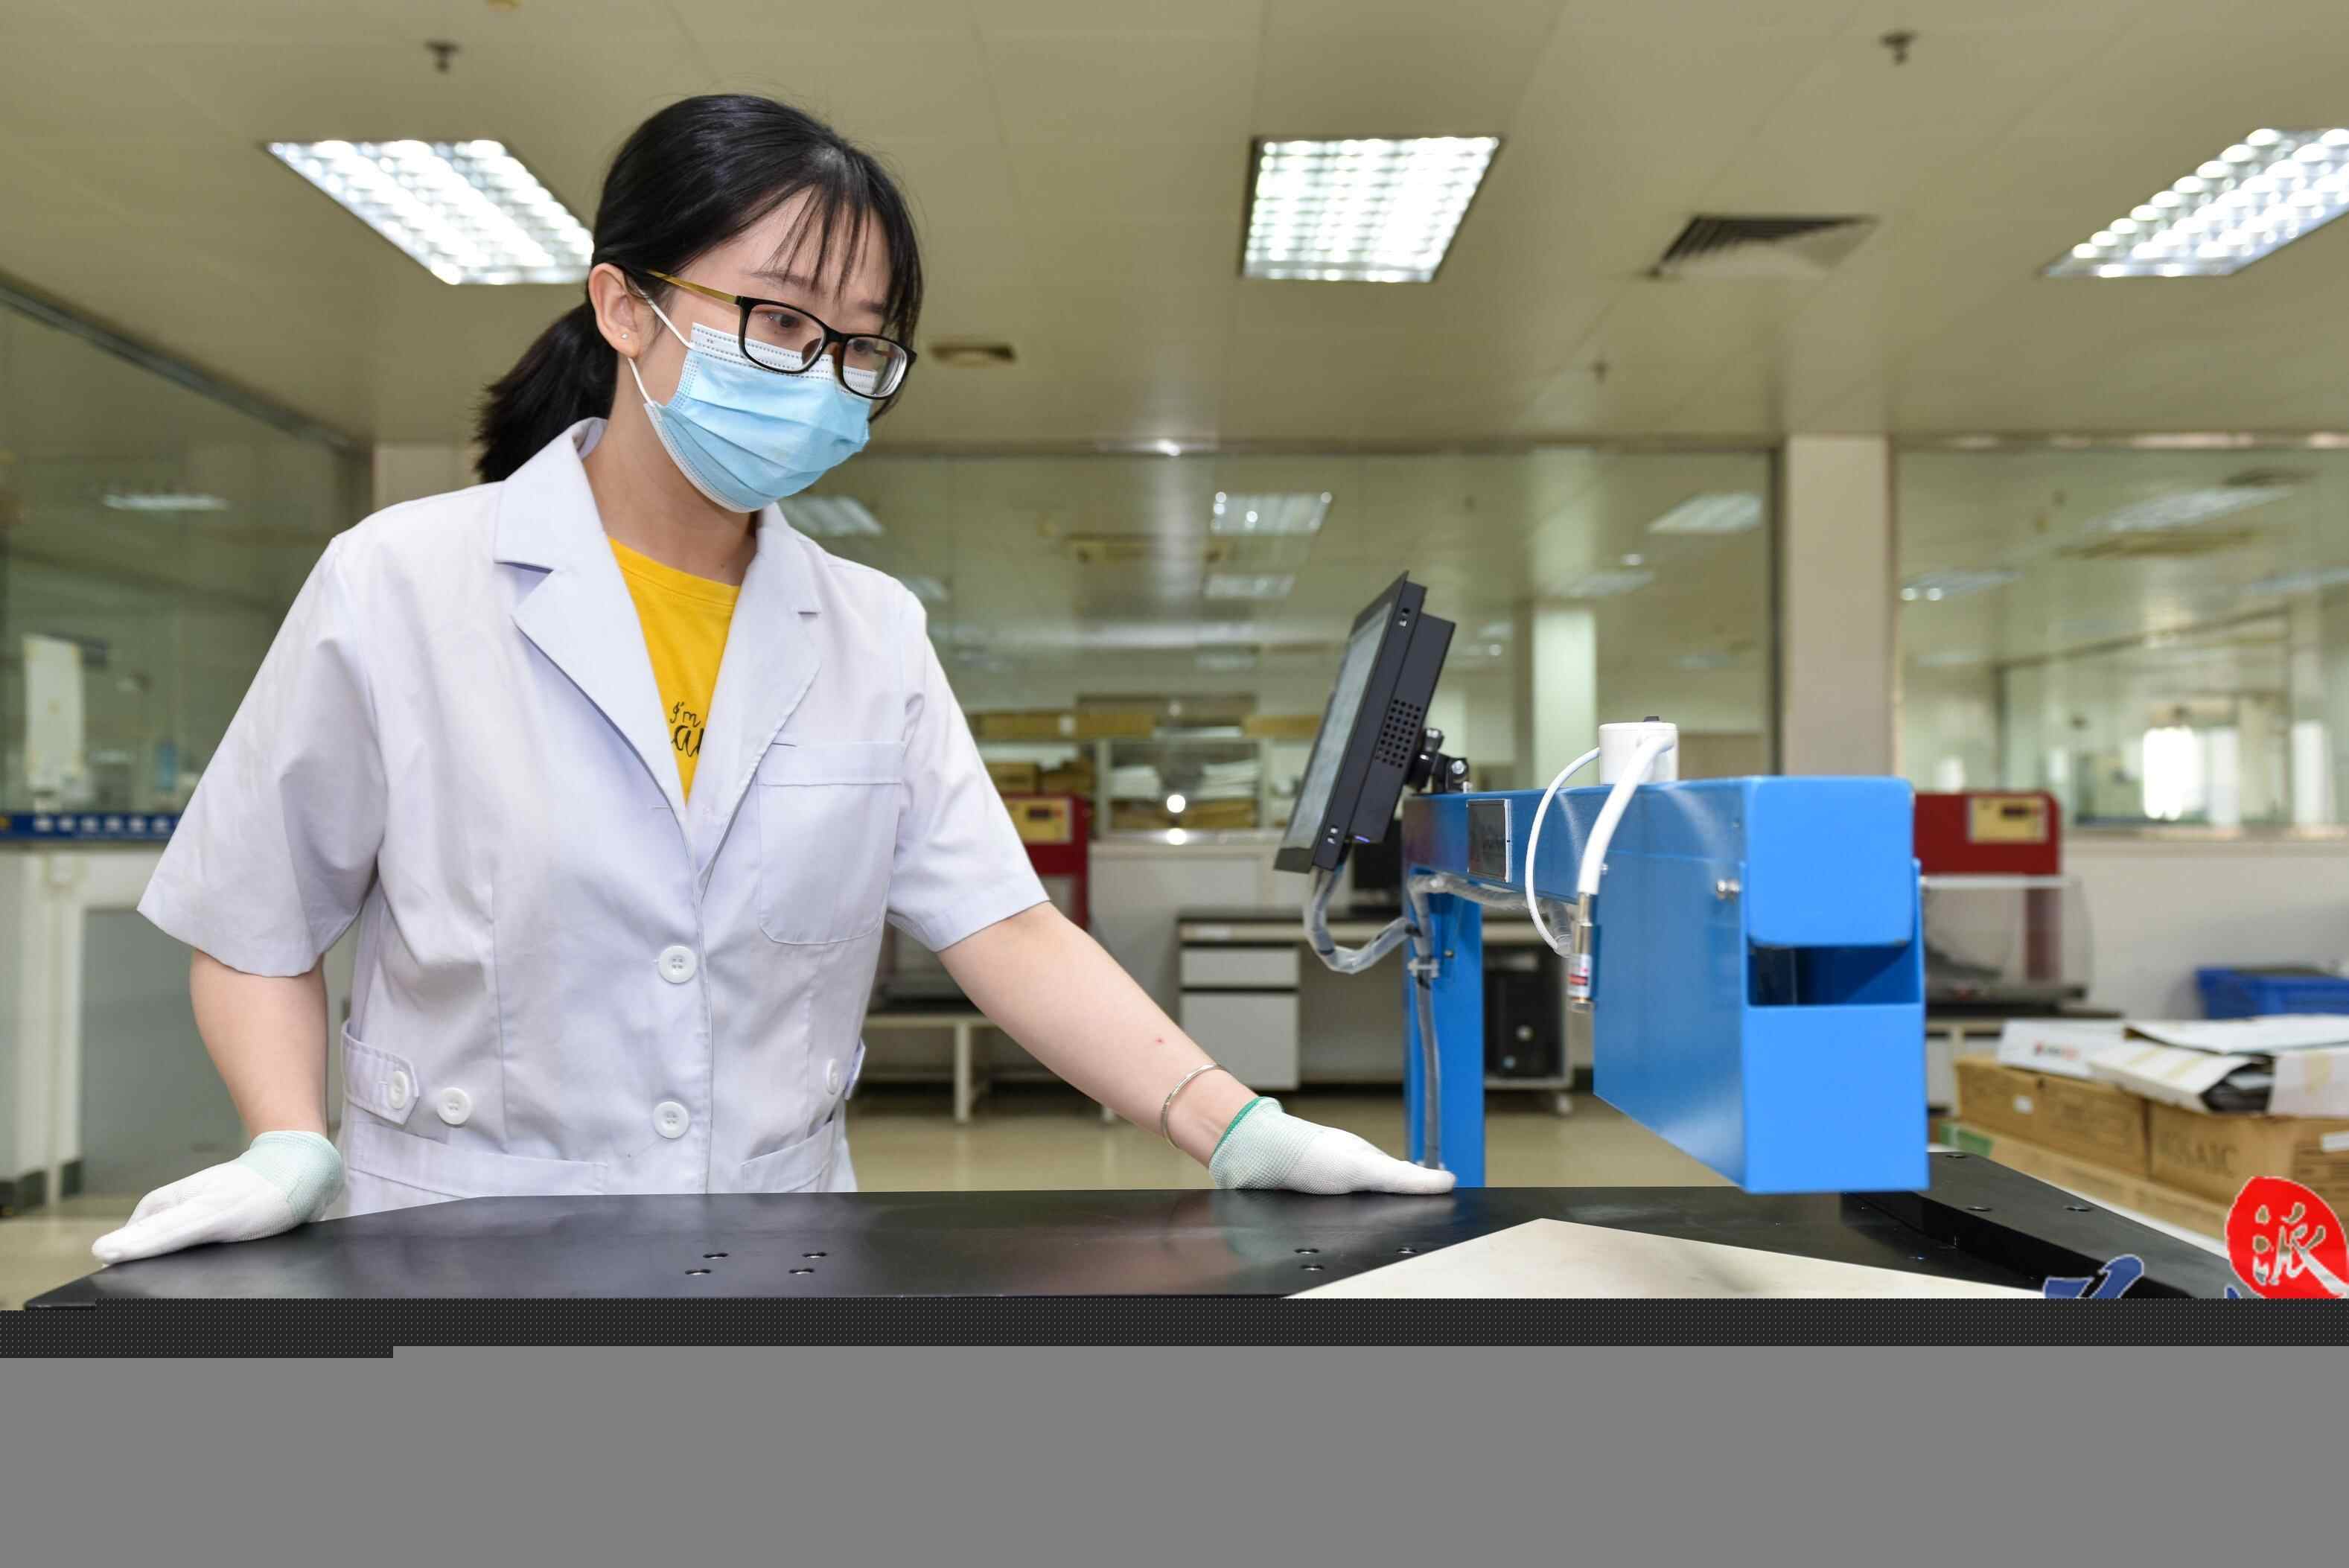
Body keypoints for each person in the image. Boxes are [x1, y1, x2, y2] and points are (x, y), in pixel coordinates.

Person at [95, 94, 1448, 1265]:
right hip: (456, 1246)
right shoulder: (400, 583)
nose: (824, 377)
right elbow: (259, 916)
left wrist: (1235, 1123)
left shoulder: (871, 629)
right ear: (625, 306)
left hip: (777, 1244)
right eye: (781, 321)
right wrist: (286, 1140)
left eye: (860, 345)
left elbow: (1005, 927)